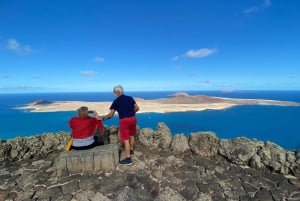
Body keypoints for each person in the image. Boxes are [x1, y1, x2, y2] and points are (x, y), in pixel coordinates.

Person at [101, 85, 139, 165]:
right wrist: (132, 113)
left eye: (114, 93)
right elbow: (137, 108)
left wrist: (102, 118)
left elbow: (110, 115)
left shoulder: (116, 101)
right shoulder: (130, 98)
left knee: (126, 140)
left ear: (117, 92)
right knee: (132, 135)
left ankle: (128, 159)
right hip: (133, 118)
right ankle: (131, 151)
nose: (114, 94)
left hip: (124, 121)